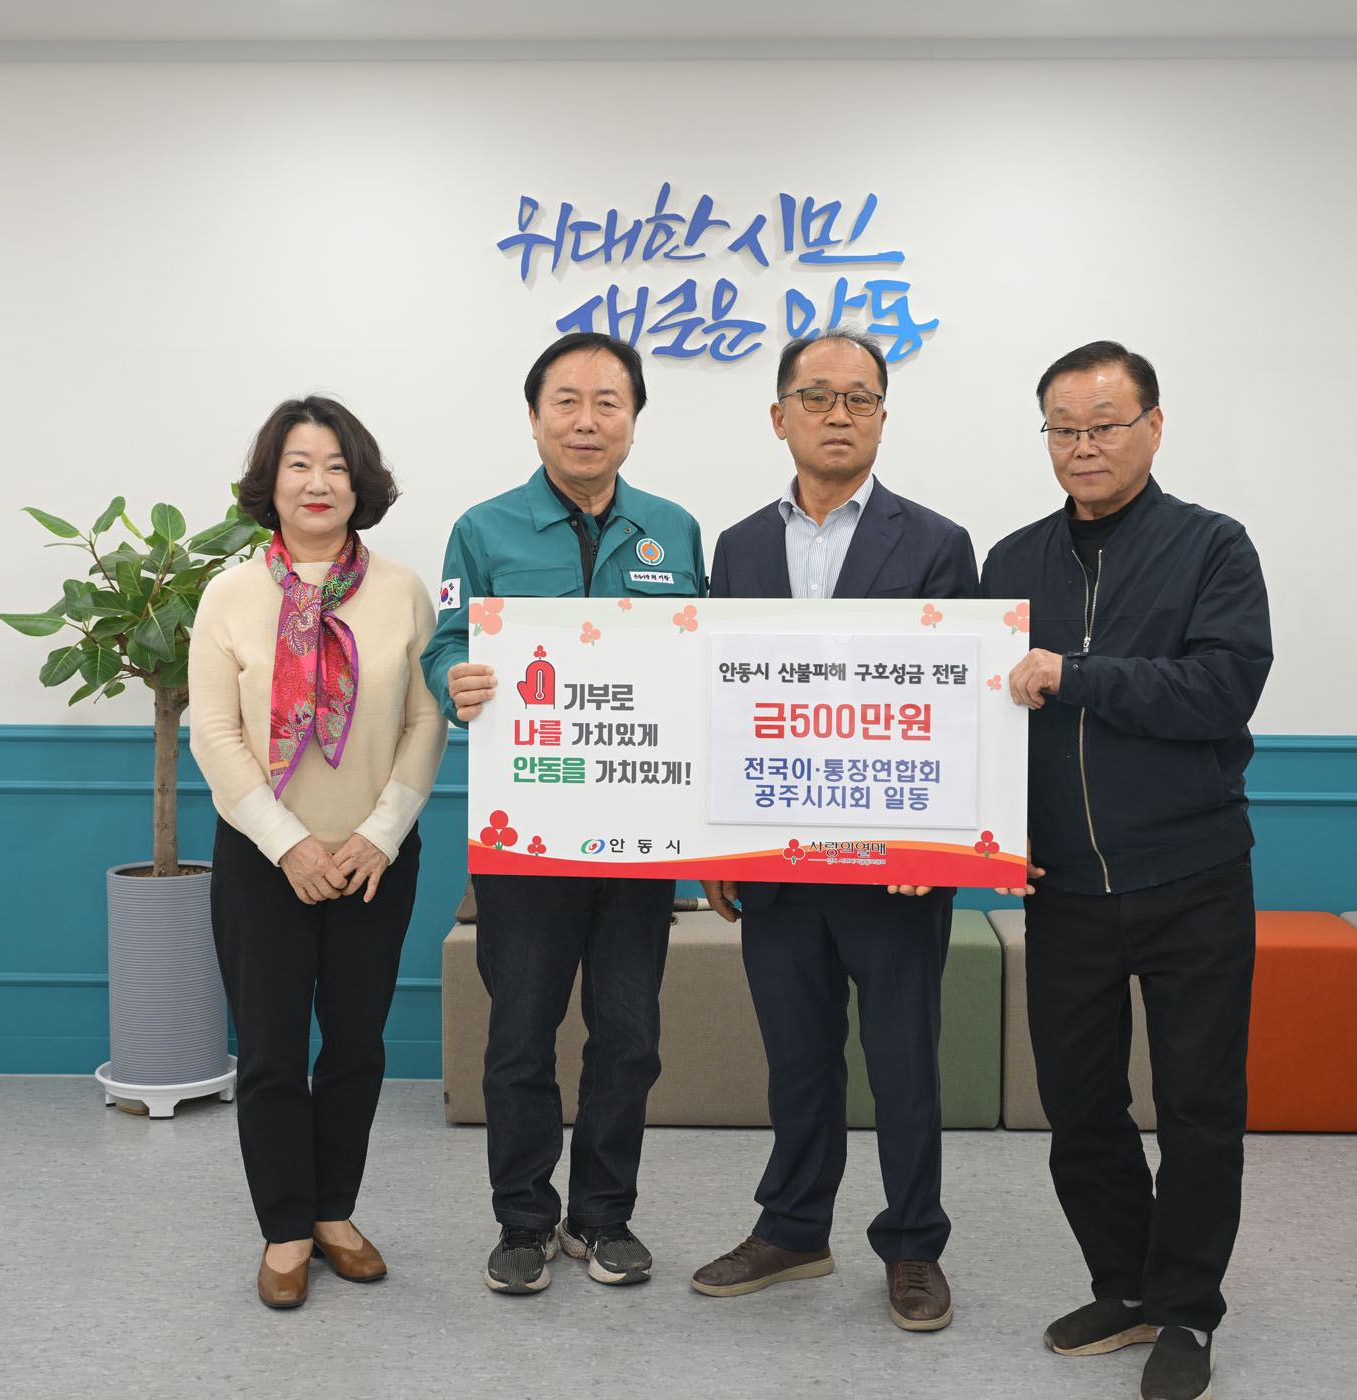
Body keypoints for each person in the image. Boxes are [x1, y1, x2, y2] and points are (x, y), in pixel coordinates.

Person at [980, 342, 1271, 1400]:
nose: (1084, 445)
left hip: (1193, 874)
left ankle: (1188, 1307)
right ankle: (1127, 1283)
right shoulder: (1011, 562)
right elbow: (978, 723)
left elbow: (1221, 689)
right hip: (1062, 885)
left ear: (1153, 425)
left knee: (1198, 1105)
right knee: (1081, 1105)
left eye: (1104, 424)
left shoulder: (1212, 547)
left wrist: (1079, 676)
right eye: (1063, 427)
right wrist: (983, 836)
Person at [691, 329, 978, 1332]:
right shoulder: (738, 546)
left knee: (903, 1064)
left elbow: (955, 703)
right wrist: (720, 845)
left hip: (895, 868)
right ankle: (793, 1229)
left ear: (884, 418)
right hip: (774, 861)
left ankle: (913, 1244)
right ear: (780, 416)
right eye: (818, 396)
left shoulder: (937, 542)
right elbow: (723, 701)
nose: (839, 414)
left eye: (861, 398)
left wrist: (931, 842)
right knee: (798, 1060)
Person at [419, 331, 705, 1295]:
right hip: (526, 833)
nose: (587, 421)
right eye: (567, 402)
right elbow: (444, 643)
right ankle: (524, 1220)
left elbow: (703, 663)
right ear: (535, 417)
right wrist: (452, 676)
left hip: (640, 834)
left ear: (634, 419)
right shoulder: (482, 530)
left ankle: (603, 1216)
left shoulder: (675, 530)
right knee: (519, 1037)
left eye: (608, 402)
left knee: (630, 1038)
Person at [189, 395, 447, 1310]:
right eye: (299, 464)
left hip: (376, 861)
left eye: (336, 465)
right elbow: (215, 733)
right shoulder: (229, 594)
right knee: (268, 1051)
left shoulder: (403, 591)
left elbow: (425, 720)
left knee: (355, 1047)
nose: (318, 482)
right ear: (271, 481)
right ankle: (286, 1229)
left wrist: (378, 836)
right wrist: (290, 844)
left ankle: (335, 1212)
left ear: (360, 482)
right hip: (264, 859)